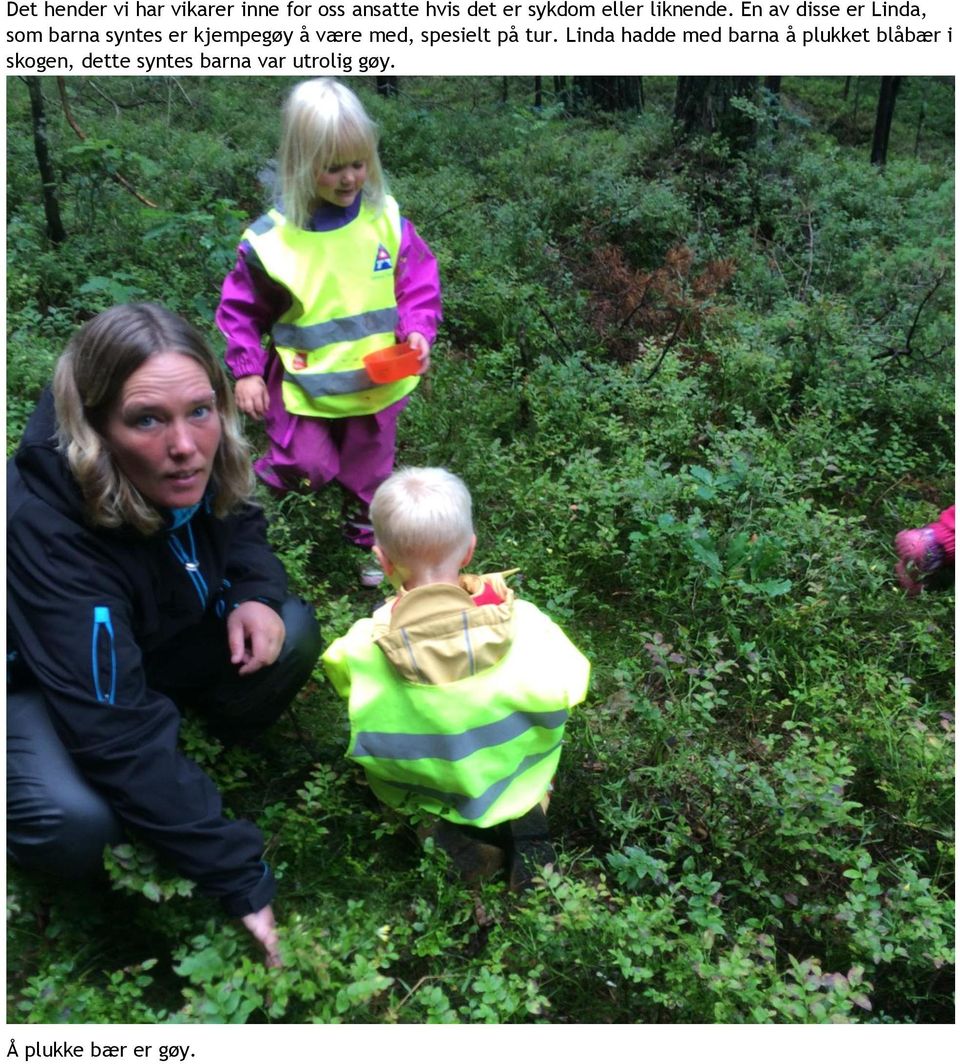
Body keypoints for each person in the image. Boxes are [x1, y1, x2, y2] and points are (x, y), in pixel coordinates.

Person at [6, 303, 323, 967]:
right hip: (32, 674)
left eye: (200, 411)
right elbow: (112, 731)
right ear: (93, 427)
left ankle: (176, 750)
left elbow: (238, 521)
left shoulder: (191, 454)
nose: (185, 445)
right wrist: (237, 876)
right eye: (146, 419)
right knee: (77, 823)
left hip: (140, 634)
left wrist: (255, 593)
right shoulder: (46, 523)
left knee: (288, 628)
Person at [217, 78, 442, 588]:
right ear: (300, 163)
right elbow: (241, 310)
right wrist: (248, 371)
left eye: (358, 164)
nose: (348, 179)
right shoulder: (273, 242)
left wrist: (418, 330)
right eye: (332, 167)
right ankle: (254, 494)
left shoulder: (385, 221)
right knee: (307, 465)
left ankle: (369, 545)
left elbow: (417, 283)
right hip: (307, 385)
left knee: (370, 474)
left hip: (377, 383)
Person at [322, 467, 591, 889]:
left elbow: (339, 676)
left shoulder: (361, 645)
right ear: (469, 551)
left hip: (423, 783)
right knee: (536, 776)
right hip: (514, 774)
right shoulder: (527, 624)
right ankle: (528, 812)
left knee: (400, 795)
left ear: (383, 560)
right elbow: (576, 681)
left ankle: (435, 829)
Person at [894, 503, 955, 595]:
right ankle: (910, 590)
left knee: (912, 563)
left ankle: (903, 567)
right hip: (936, 549)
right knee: (916, 584)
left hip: (926, 534)